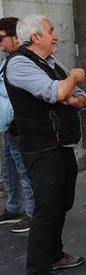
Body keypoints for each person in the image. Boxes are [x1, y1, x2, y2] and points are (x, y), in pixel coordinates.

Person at [3, 14, 86, 275]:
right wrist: (74, 77)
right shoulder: (18, 63)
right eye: (51, 31)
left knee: (62, 202)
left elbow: (82, 98)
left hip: (60, 145)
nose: (56, 36)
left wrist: (69, 93)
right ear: (36, 37)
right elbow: (57, 92)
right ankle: (37, 273)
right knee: (47, 208)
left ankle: (54, 254)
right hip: (41, 148)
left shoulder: (50, 62)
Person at [0, 16, 35, 234]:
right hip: (8, 129)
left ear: (16, 37)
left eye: (2, 38)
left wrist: (14, 120)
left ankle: (32, 213)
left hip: (18, 128)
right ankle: (14, 207)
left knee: (24, 171)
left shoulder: (21, 62)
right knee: (9, 170)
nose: (0, 43)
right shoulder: (7, 61)